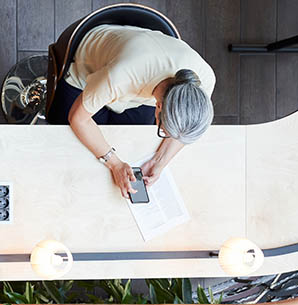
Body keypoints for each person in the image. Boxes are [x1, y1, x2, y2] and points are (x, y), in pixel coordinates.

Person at [49, 24, 215, 198]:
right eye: (165, 130)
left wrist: (159, 161)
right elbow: (78, 119)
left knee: (130, 144)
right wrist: (115, 165)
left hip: (135, 92)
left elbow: (184, 132)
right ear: (159, 107)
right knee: (70, 145)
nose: (169, 135)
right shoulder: (122, 75)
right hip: (87, 74)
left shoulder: (204, 81)